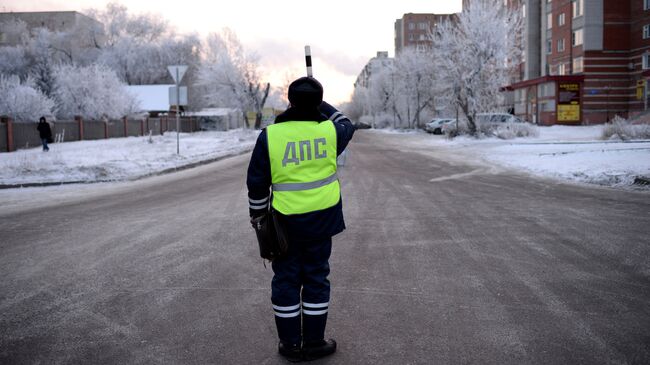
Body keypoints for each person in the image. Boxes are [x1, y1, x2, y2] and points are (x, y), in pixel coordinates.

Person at [246, 76, 356, 362]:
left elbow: (257, 184)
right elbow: (345, 121)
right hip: (322, 222)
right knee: (317, 279)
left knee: (286, 282)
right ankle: (315, 342)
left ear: (290, 102)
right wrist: (321, 105)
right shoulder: (332, 132)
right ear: (318, 103)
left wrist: (258, 217)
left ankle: (291, 345)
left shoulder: (271, 136)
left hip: (285, 225)